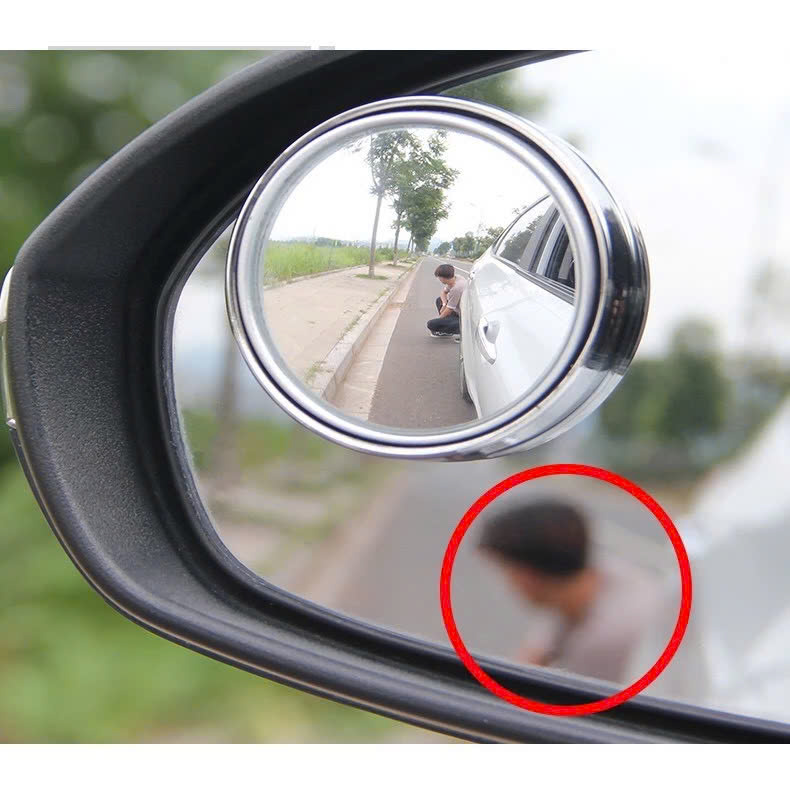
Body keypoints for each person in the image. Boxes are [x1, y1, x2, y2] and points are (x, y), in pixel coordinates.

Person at [478, 500, 661, 685]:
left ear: (526, 575)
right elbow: (534, 655)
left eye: (506, 570)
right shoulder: (594, 575)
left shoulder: (605, 640)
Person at [427, 263, 467, 338]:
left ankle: (459, 330)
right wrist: (444, 304)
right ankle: (446, 323)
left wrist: (439, 319)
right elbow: (443, 292)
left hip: (462, 318)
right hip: (456, 311)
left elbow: (449, 309)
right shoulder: (456, 278)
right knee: (439, 300)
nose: (439, 279)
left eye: (439, 277)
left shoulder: (457, 288)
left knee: (431, 324)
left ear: (443, 278)